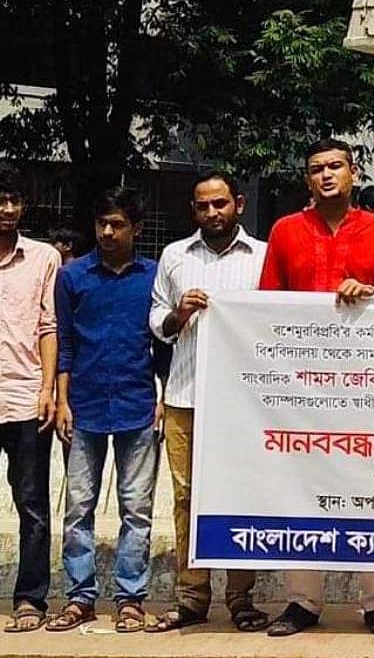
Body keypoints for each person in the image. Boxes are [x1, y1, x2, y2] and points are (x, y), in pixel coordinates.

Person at [260, 139, 374, 637]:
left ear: (354, 172)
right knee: (302, 491)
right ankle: (303, 601)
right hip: (304, 393)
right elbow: (266, 307)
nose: (326, 176)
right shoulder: (285, 232)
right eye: (316, 169)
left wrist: (373, 296)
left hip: (371, 388)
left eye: (335, 167)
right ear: (307, 180)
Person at [145, 172, 270, 633]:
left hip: (244, 399)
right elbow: (157, 320)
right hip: (185, 394)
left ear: (237, 204)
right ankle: (192, 596)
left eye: (220, 204)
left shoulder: (262, 256)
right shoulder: (175, 256)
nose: (213, 213)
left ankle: (241, 598)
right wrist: (180, 313)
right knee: (186, 497)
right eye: (203, 206)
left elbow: (277, 320)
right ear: (193, 210)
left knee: (241, 495)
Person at [46, 188, 165, 633]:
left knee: (137, 508)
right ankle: (79, 597)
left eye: (117, 224)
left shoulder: (153, 277)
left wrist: (162, 396)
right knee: (78, 507)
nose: (108, 232)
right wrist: (61, 400)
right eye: (102, 224)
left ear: (135, 227)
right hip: (84, 406)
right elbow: (66, 342)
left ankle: (130, 598)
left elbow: (161, 344)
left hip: (138, 403)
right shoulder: (73, 276)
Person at [0, 163, 59, 633]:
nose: (8, 209)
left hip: (25, 399)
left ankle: (30, 599)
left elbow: (48, 326)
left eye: (15, 200)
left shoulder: (43, 258)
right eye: (1, 199)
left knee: (33, 506)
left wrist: (48, 391)